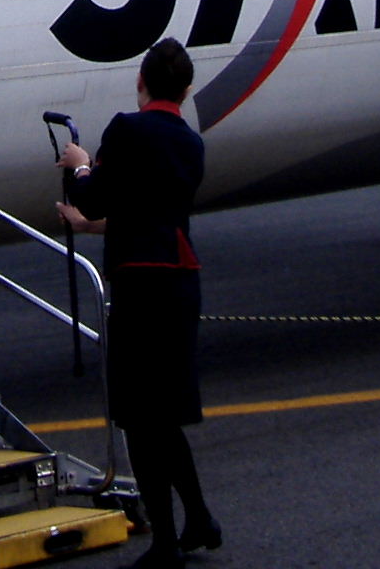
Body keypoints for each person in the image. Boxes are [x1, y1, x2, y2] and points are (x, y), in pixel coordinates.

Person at [57, 39, 220, 566]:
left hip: (140, 283)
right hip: (179, 276)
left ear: (141, 82)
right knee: (164, 411)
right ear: (186, 88)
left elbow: (97, 194)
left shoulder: (127, 129)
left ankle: (168, 540)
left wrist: (81, 166)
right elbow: (150, 210)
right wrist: (93, 225)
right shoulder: (190, 143)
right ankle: (196, 518)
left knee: (137, 414)